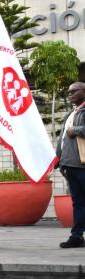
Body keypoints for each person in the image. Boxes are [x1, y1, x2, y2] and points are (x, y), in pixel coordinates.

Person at [57, 82, 85, 248]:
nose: (70, 94)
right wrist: (59, 160)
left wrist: (76, 130)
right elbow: (62, 140)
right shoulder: (71, 113)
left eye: (74, 91)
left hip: (83, 166)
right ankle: (76, 236)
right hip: (71, 166)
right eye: (69, 91)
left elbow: (72, 132)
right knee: (78, 203)